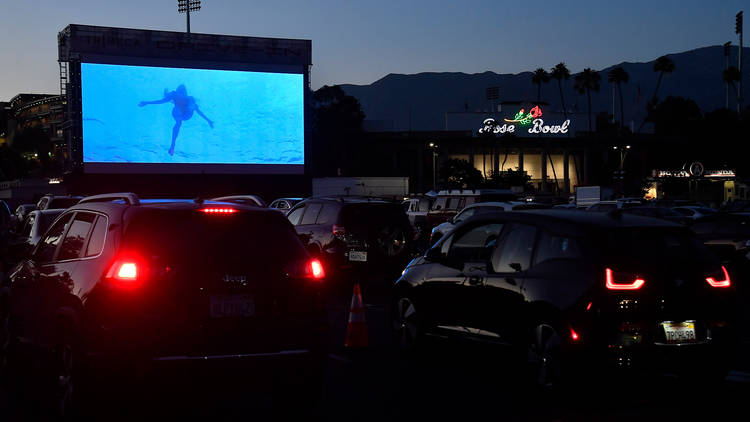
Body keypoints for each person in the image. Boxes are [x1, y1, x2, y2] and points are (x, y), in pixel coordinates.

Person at [138, 84, 214, 155]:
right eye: (180, 93)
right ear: (178, 92)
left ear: (185, 93)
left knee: (191, 105)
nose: (181, 95)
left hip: (187, 115)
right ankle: (173, 145)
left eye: (183, 93)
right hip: (177, 114)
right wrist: (147, 102)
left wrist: (208, 120)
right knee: (177, 114)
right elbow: (161, 101)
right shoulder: (174, 95)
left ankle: (167, 95)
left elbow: (199, 111)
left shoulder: (190, 99)